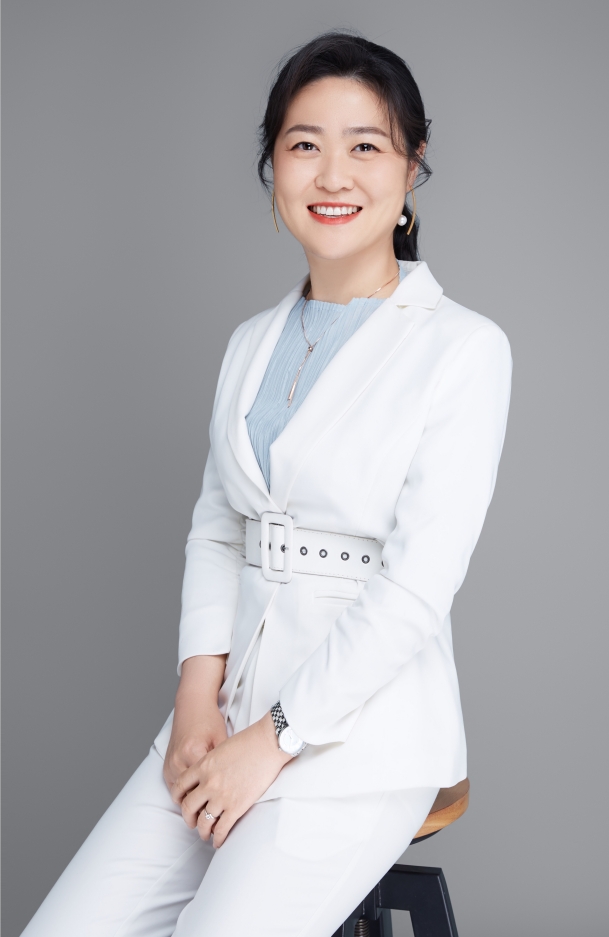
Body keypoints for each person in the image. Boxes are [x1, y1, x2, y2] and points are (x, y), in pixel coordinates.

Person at [21, 31, 512, 937]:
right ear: (272, 165)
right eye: (304, 144)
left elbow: (414, 587)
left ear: (411, 166)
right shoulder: (250, 342)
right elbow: (219, 526)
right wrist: (194, 701)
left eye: (365, 146)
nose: (333, 174)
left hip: (360, 737)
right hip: (223, 713)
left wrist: (274, 739)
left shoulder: (462, 349)